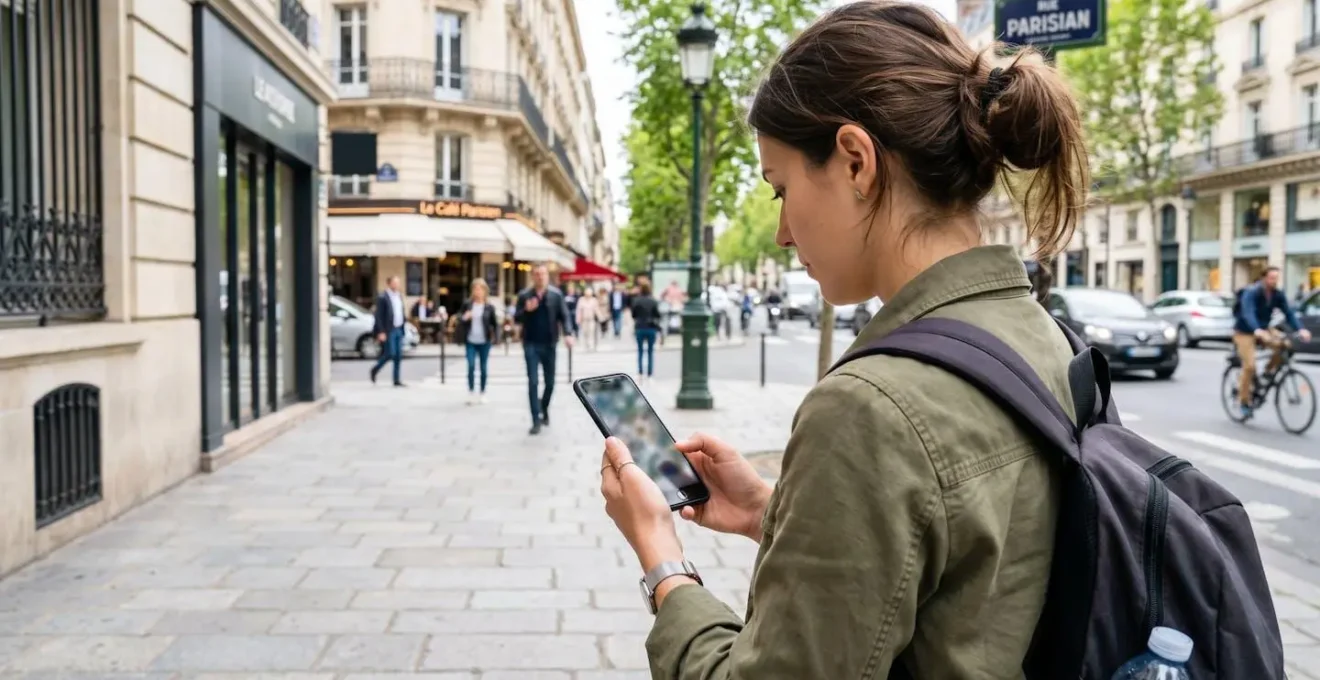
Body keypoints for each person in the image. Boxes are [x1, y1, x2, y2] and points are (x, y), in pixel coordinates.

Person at [596, 2, 1090, 676]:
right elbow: (970, 569)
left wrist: (663, 560)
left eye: (780, 189)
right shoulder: (1044, 336)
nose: (781, 232)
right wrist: (776, 514)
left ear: (856, 161)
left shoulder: (869, 409)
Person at [1233, 266, 1312, 418]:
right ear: (1264, 278)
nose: (1274, 281)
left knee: (1286, 346)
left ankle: (1268, 373)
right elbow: (1248, 312)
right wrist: (1256, 329)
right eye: (1271, 278)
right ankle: (1243, 402)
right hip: (1244, 331)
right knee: (1249, 366)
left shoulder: (1277, 294)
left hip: (1264, 329)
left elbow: (1288, 313)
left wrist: (1300, 329)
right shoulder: (1252, 292)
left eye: (1276, 278)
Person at [514, 263, 574, 435]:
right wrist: (526, 310)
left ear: (547, 276)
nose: (540, 277)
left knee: (550, 383)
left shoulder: (556, 295)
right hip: (530, 343)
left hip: (549, 344)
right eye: (537, 274)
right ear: (533, 276)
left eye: (543, 274)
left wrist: (568, 333)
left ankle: (544, 407)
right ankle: (535, 420)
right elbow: (516, 317)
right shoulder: (525, 295)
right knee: (533, 382)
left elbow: (565, 316)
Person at [457, 278, 499, 404]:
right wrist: (465, 317)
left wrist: (496, 338)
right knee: (470, 366)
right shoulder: (467, 304)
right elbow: (459, 317)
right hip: (471, 340)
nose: (478, 291)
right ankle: (470, 391)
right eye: (475, 289)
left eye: (480, 289)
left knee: (483, 368)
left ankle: (482, 392)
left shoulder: (489, 307)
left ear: (485, 291)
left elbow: (495, 324)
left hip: (484, 341)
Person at [369, 276, 407, 387]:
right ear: (389, 283)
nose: (397, 285)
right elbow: (379, 316)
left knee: (398, 355)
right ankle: (375, 369)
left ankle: (396, 379)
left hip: (399, 328)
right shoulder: (383, 297)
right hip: (389, 329)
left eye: (398, 283)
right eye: (395, 283)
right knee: (390, 353)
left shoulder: (399, 296)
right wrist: (381, 331)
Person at [629, 282, 662, 382]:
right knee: (650, 351)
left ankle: (640, 373)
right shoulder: (653, 301)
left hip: (639, 327)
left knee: (640, 351)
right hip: (651, 327)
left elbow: (633, 315)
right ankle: (650, 374)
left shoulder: (636, 301)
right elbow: (657, 315)